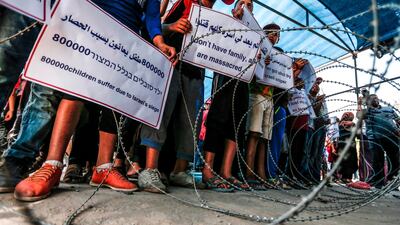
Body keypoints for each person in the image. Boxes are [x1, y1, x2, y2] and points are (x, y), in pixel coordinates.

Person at [13, 0, 177, 201]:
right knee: (75, 90)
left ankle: (103, 168)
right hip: (92, 25)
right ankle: (52, 164)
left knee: (114, 102)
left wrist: (159, 41)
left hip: (125, 39)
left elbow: (151, 16)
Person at [138, 0, 215, 193]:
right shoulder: (181, 5)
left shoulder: (215, 21)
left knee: (190, 121)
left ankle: (180, 170)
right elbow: (151, 29)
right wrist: (171, 26)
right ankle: (150, 168)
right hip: (170, 64)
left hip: (195, 72)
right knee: (159, 113)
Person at [200, 0, 254, 192]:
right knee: (217, 118)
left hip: (243, 81)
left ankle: (226, 171)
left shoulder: (255, 36)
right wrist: (233, 22)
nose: (246, 7)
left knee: (236, 123)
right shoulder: (225, 23)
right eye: (243, 3)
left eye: (250, 5)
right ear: (234, 8)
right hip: (224, 76)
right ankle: (208, 170)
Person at [364, 94, 400, 188]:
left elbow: (398, 120)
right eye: (372, 99)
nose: (375, 99)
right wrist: (360, 103)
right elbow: (359, 115)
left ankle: (392, 181)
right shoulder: (368, 111)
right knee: (377, 160)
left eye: (376, 98)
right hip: (375, 138)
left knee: (394, 159)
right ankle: (378, 183)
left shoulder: (388, 109)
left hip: (391, 136)